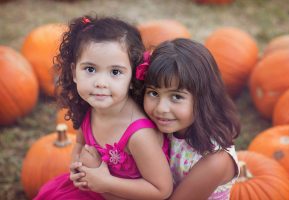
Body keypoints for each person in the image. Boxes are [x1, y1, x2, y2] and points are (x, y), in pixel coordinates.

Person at [34, 15, 173, 200]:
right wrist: (77, 166)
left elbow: (161, 190)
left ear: (132, 78)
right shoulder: (88, 108)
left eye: (115, 72)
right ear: (74, 72)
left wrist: (106, 183)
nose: (100, 83)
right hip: (93, 190)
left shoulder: (139, 135)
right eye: (90, 69)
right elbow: (80, 143)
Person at [141, 38, 240, 200]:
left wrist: (106, 186)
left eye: (176, 97)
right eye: (153, 93)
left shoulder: (216, 160)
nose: (161, 108)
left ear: (203, 98)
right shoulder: (159, 126)